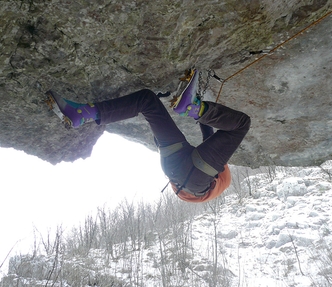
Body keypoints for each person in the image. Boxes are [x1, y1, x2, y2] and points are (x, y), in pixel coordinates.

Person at [46, 69, 251, 203]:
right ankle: (83, 114)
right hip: (171, 167)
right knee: (147, 101)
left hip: (195, 174)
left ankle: (192, 106)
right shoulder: (194, 192)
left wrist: (202, 112)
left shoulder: (224, 181)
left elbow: (210, 144)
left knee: (241, 124)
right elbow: (207, 148)